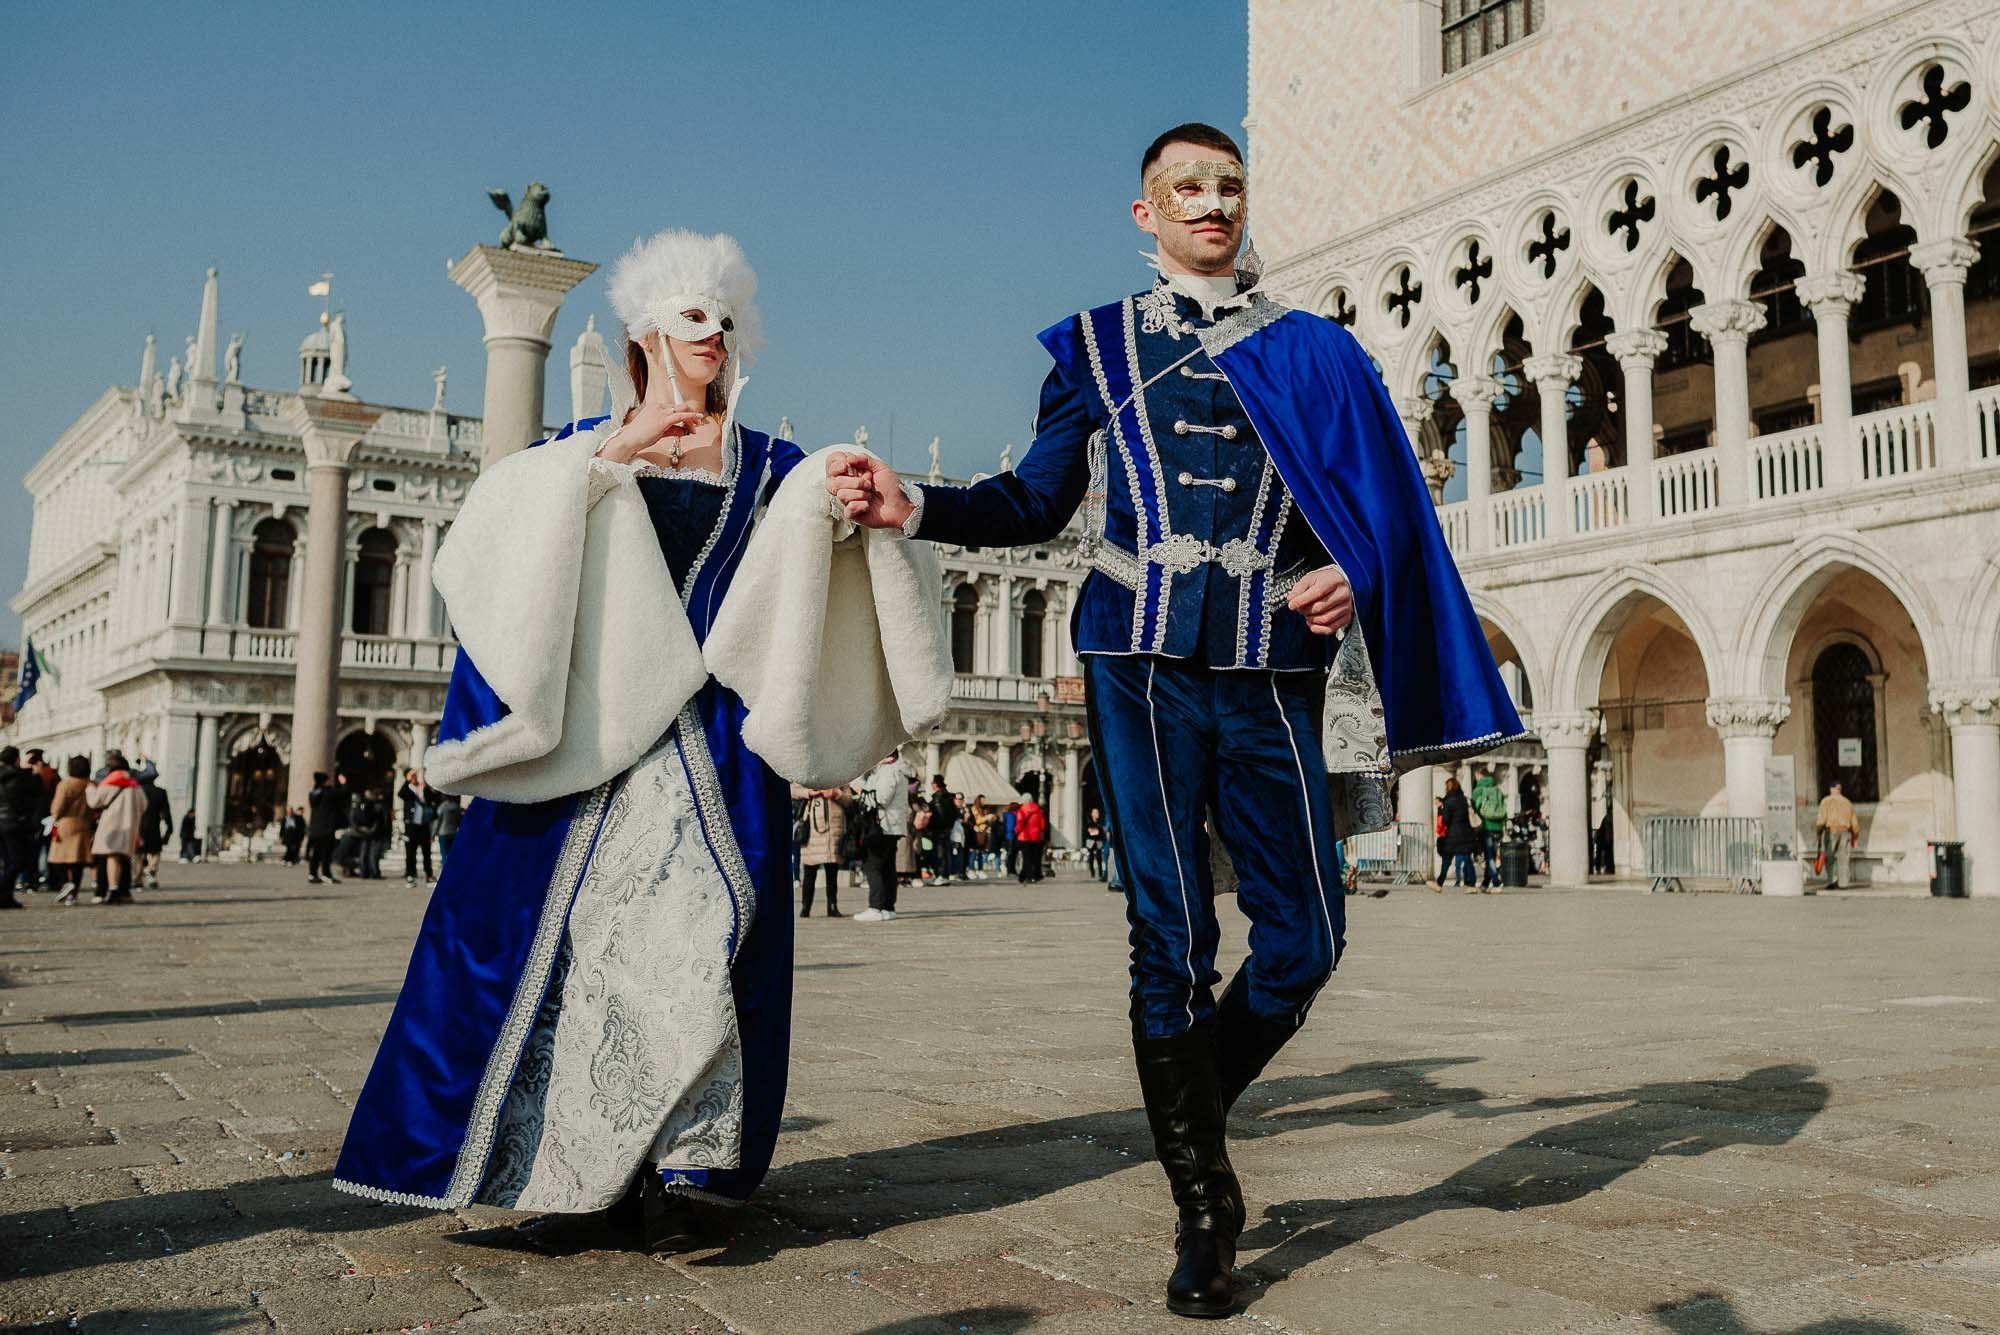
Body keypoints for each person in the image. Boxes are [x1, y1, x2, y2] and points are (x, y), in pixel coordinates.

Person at [828, 123, 1519, 1316]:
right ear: (1143, 215)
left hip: (1268, 662)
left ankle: (1185, 1098)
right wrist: (917, 501)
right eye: (1184, 189)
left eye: (1227, 186)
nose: (1210, 203)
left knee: (1306, 940)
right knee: (1169, 935)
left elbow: (1382, 510)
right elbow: (1036, 497)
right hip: (1132, 657)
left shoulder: (1313, 353)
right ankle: (1206, 1209)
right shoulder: (1096, 347)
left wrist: (1350, 566)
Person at [334, 231, 948, 1255]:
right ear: (647, 330)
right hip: (586, 753)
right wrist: (608, 460)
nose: (713, 334)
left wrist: (847, 508)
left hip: (713, 756)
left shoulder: (773, 468)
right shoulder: (573, 449)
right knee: (570, 958)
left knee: (694, 951)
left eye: (725, 317)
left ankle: (674, 1170)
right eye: (692, 316)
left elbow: (829, 568)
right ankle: (578, 1187)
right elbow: (488, 559)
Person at [854, 752, 914, 922]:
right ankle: (888, 907)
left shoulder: (889, 771)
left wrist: (862, 790)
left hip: (883, 825)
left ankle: (876, 907)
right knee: (887, 867)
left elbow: (881, 798)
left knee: (873, 866)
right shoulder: (898, 771)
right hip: (892, 826)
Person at [86, 755, 144, 905]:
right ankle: (124, 892)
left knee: (107, 859)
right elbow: (144, 805)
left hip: (110, 827)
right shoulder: (134, 785)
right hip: (129, 827)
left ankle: (108, 891)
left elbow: (94, 801)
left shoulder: (110, 782)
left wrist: (91, 788)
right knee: (124, 861)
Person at [793, 783, 850, 918]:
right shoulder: (808, 772)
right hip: (811, 827)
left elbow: (848, 799)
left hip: (833, 828)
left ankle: (832, 906)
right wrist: (809, 792)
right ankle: (806, 906)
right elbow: (792, 790)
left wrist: (836, 793)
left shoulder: (840, 775)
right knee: (809, 871)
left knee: (832, 870)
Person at [49, 757, 96, 905]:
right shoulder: (91, 784)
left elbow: (57, 807)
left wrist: (54, 816)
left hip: (66, 824)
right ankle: (73, 895)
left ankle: (65, 883)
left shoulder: (66, 784)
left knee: (59, 859)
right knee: (78, 862)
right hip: (84, 824)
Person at [0, 747, 41, 908]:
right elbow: (37, 793)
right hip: (14, 823)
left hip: (2, 822)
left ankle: (6, 897)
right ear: (16, 759)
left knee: (7, 861)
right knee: (19, 861)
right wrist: (35, 773)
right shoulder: (21, 776)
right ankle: (3, 891)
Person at [1815, 781, 1860, 888]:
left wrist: (1818, 833)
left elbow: (1821, 820)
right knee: (1844, 858)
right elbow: (1855, 824)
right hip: (1845, 832)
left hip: (1831, 831)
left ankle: (1832, 881)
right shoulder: (1847, 802)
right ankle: (1843, 883)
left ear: (1831, 789)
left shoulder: (1826, 801)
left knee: (1829, 858)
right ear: (1840, 789)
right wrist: (1855, 836)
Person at [1439, 777, 1481, 890]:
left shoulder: (1448, 802)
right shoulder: (1464, 799)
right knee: (1467, 858)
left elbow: (1445, 821)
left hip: (1453, 834)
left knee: (1447, 858)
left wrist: (1442, 811)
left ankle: (1439, 882)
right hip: (1466, 832)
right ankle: (1472, 883)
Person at [397, 770, 438, 885]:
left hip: (424, 825)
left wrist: (425, 785)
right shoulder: (407, 788)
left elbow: (434, 797)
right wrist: (408, 780)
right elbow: (400, 794)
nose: (415, 778)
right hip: (412, 825)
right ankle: (410, 874)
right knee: (410, 852)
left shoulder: (424, 788)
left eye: (416, 775)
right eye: (412, 776)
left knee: (426, 852)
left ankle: (429, 875)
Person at [305, 771, 346, 885]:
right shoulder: (328, 793)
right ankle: (326, 874)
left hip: (315, 829)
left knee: (316, 853)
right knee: (326, 853)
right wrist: (343, 783)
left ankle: (312, 874)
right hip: (326, 828)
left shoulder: (314, 793)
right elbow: (343, 794)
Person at [1470, 769, 1507, 889]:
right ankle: (1486, 882)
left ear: (1479, 776)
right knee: (1492, 853)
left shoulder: (1478, 791)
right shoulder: (1498, 790)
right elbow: (1504, 808)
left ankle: (1496, 881)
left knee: (1489, 855)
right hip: (1498, 826)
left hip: (1486, 826)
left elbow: (1474, 809)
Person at [138, 773, 172, 891]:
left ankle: (137, 879)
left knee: (138, 852)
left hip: (139, 826)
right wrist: (169, 828)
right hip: (154, 826)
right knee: (155, 852)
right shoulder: (160, 792)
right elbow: (166, 812)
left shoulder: (138, 791)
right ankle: (151, 872)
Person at [1015, 794, 1047, 883]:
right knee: (1033, 857)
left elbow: (1019, 823)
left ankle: (1029, 876)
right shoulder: (1038, 810)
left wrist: (1016, 831)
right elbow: (1043, 825)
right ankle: (1023, 876)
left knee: (1026, 857)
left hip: (1024, 837)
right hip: (1036, 837)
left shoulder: (1021, 810)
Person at [433, 793, 461, 862]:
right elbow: (459, 821)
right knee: (452, 853)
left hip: (443, 833)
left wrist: (433, 833)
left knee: (444, 853)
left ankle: (445, 869)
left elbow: (438, 822)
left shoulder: (442, 807)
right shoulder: (456, 807)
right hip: (453, 832)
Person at [1085, 806, 1108, 881]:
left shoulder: (1100, 822)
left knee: (1099, 857)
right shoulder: (1089, 822)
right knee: (1091, 857)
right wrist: (1097, 830)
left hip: (1098, 841)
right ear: (1092, 814)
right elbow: (1090, 831)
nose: (1097, 814)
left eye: (1098, 812)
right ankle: (1092, 872)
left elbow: (1100, 831)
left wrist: (1097, 830)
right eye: (1095, 812)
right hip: (1091, 841)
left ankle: (1100, 872)